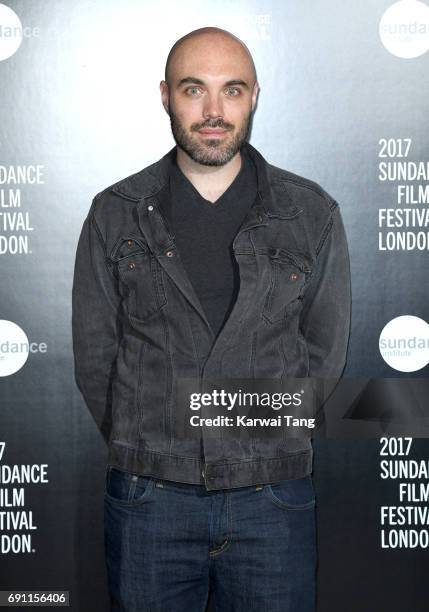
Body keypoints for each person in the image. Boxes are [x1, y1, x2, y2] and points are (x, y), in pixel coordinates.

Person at [72, 26, 351, 612]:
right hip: (148, 500)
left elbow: (324, 357)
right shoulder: (114, 214)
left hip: (273, 499)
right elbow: (97, 360)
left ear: (255, 97)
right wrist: (155, 442)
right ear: (166, 95)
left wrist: (262, 440)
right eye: (194, 90)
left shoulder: (310, 214)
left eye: (233, 90)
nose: (214, 111)